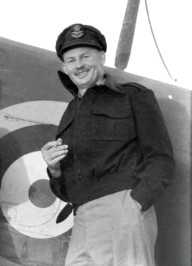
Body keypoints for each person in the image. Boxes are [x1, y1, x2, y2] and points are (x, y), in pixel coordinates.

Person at [41, 23, 175, 266]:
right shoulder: (71, 112)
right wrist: (54, 170)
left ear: (102, 56)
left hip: (122, 210)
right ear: (64, 67)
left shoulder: (132, 96)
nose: (78, 64)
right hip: (82, 219)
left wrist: (135, 204)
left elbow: (160, 158)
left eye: (85, 56)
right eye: (71, 60)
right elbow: (66, 189)